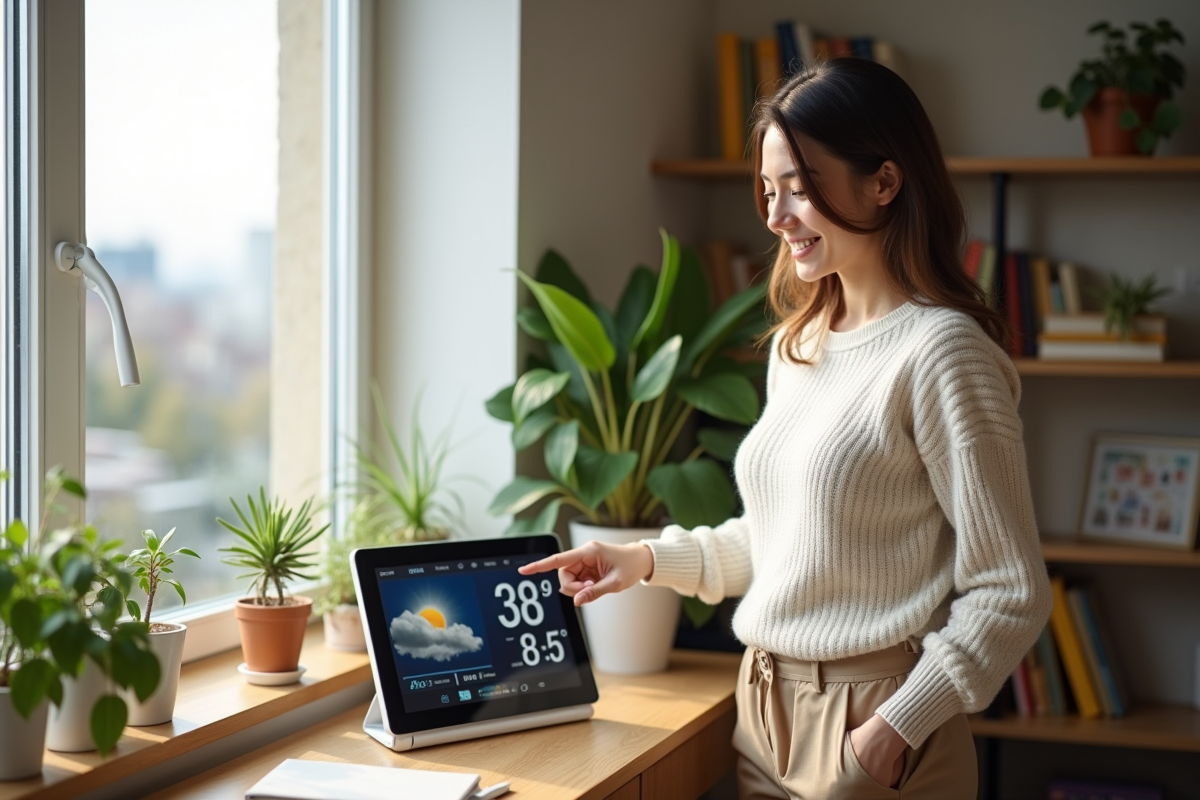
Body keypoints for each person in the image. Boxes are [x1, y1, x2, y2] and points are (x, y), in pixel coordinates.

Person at [520, 57, 1052, 800]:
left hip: (877, 722)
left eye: (799, 189)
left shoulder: (944, 354)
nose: (774, 218)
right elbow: (777, 543)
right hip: (764, 711)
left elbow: (1011, 590)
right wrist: (639, 559)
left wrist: (890, 732)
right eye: (768, 192)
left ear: (884, 182)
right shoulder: (800, 346)